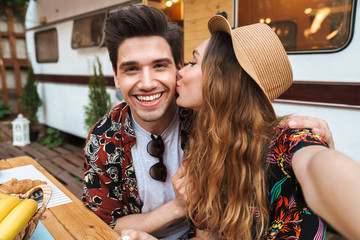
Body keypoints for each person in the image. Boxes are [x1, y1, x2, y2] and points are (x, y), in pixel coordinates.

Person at [82, 5, 335, 240]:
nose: (147, 83)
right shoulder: (105, 139)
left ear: (177, 68)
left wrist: (320, 151)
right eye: (131, 69)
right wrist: (177, 207)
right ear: (116, 77)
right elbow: (99, 225)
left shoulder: (211, 124)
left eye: (160, 66)